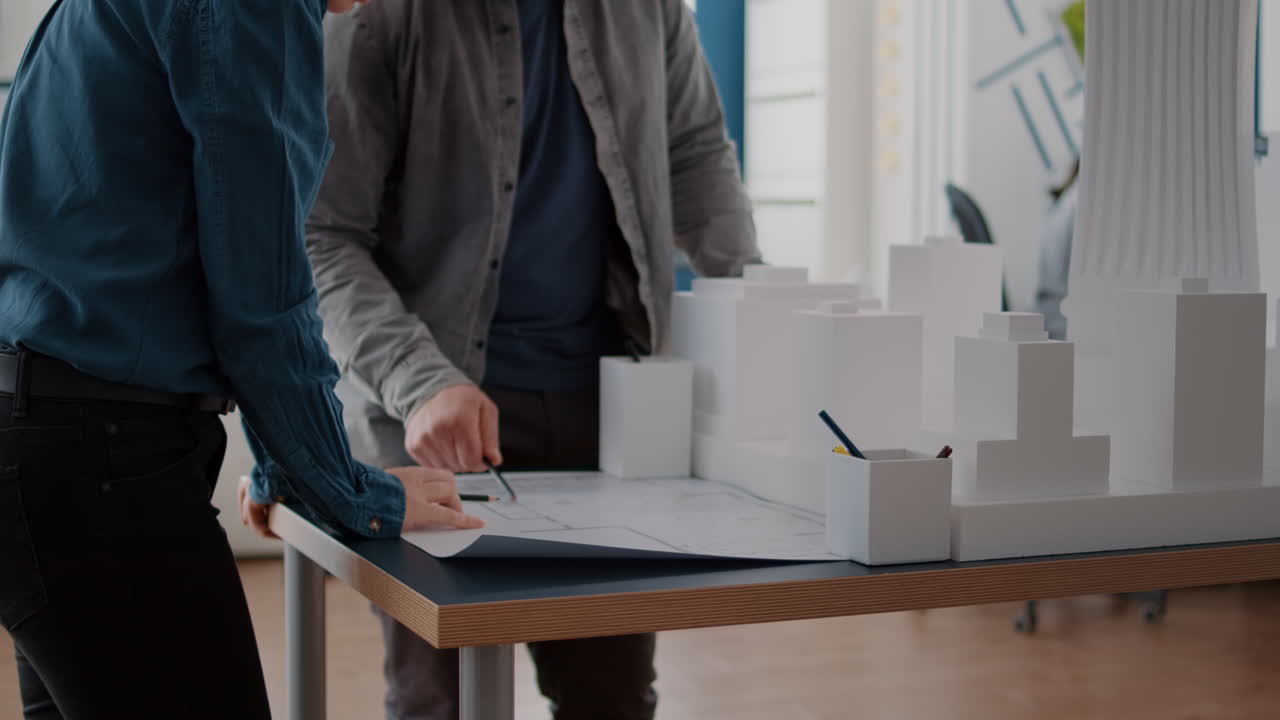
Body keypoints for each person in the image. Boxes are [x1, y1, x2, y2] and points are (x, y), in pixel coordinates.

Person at [0, 1, 482, 718]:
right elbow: (262, 299)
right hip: (100, 465)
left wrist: (290, 466)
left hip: (39, 444)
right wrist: (348, 490)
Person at [301, 1, 761, 717]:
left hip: (605, 413)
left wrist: (760, 314)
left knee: (609, 696)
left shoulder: (652, 9)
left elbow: (696, 152)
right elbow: (323, 234)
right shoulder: (378, 15)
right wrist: (420, 382)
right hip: (428, 424)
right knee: (437, 700)